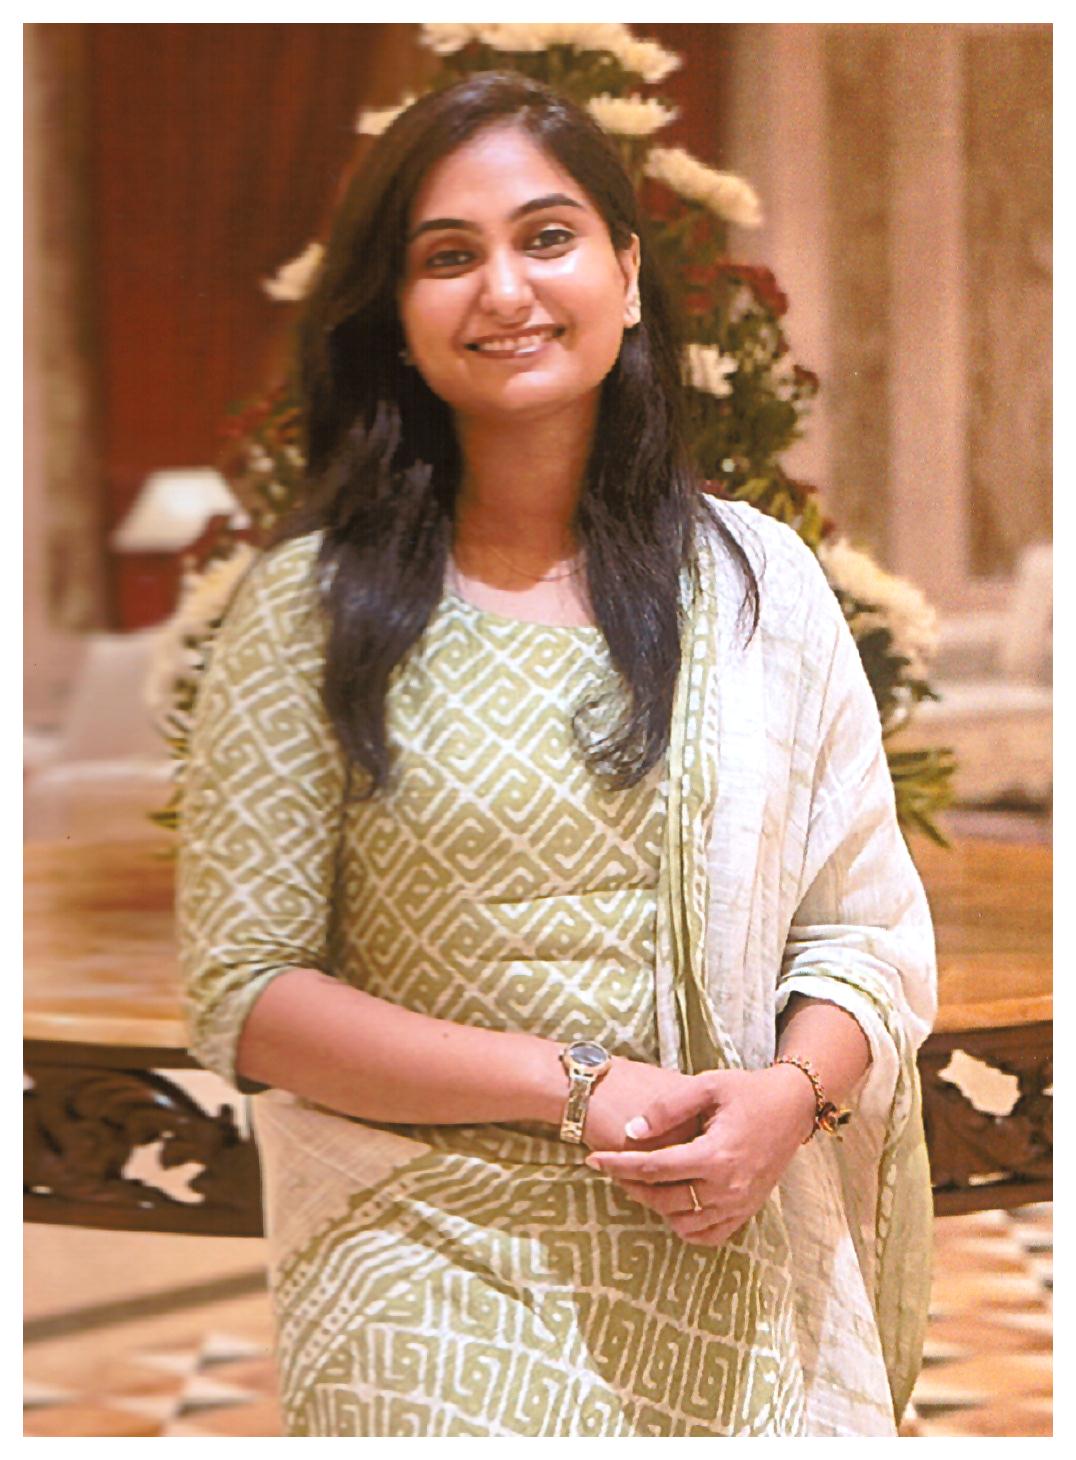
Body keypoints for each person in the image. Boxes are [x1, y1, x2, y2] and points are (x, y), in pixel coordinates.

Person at [178, 71, 937, 1438]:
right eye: (447, 256)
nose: (505, 289)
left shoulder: (757, 586)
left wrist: (785, 1102)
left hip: (722, 1230)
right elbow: (248, 988)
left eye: (546, 237)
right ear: (395, 315)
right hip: (416, 1237)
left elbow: (863, 934)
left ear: (628, 276)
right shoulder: (311, 609)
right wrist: (575, 1089)